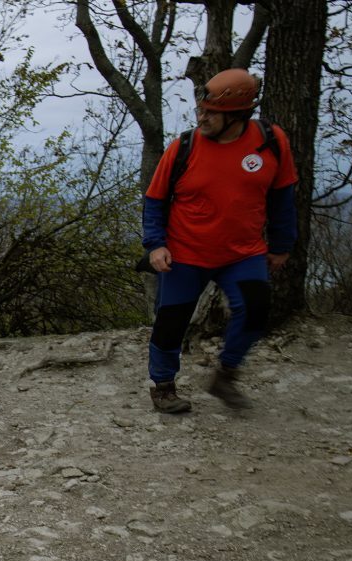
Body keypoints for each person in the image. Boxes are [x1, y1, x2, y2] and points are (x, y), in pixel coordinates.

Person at [143, 68, 296, 413]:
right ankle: (164, 386)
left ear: (239, 115)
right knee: (171, 321)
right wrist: (155, 243)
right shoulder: (183, 147)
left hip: (242, 253)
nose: (202, 118)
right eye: (201, 110)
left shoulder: (271, 142)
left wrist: (282, 245)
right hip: (185, 251)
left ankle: (226, 374)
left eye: (211, 113)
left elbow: (283, 196)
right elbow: (154, 200)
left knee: (255, 311)